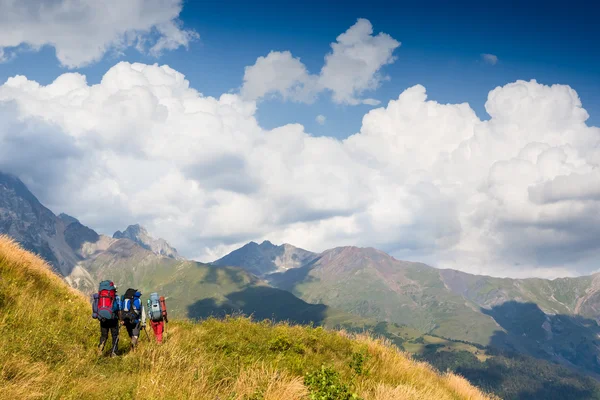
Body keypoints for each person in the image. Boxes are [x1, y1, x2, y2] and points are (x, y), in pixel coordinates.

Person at [92, 280, 121, 357]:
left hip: (103, 318)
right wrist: (120, 319)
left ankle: (99, 350)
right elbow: (119, 308)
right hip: (113, 319)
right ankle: (114, 352)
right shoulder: (116, 297)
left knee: (104, 335)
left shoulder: (101, 296)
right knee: (115, 336)